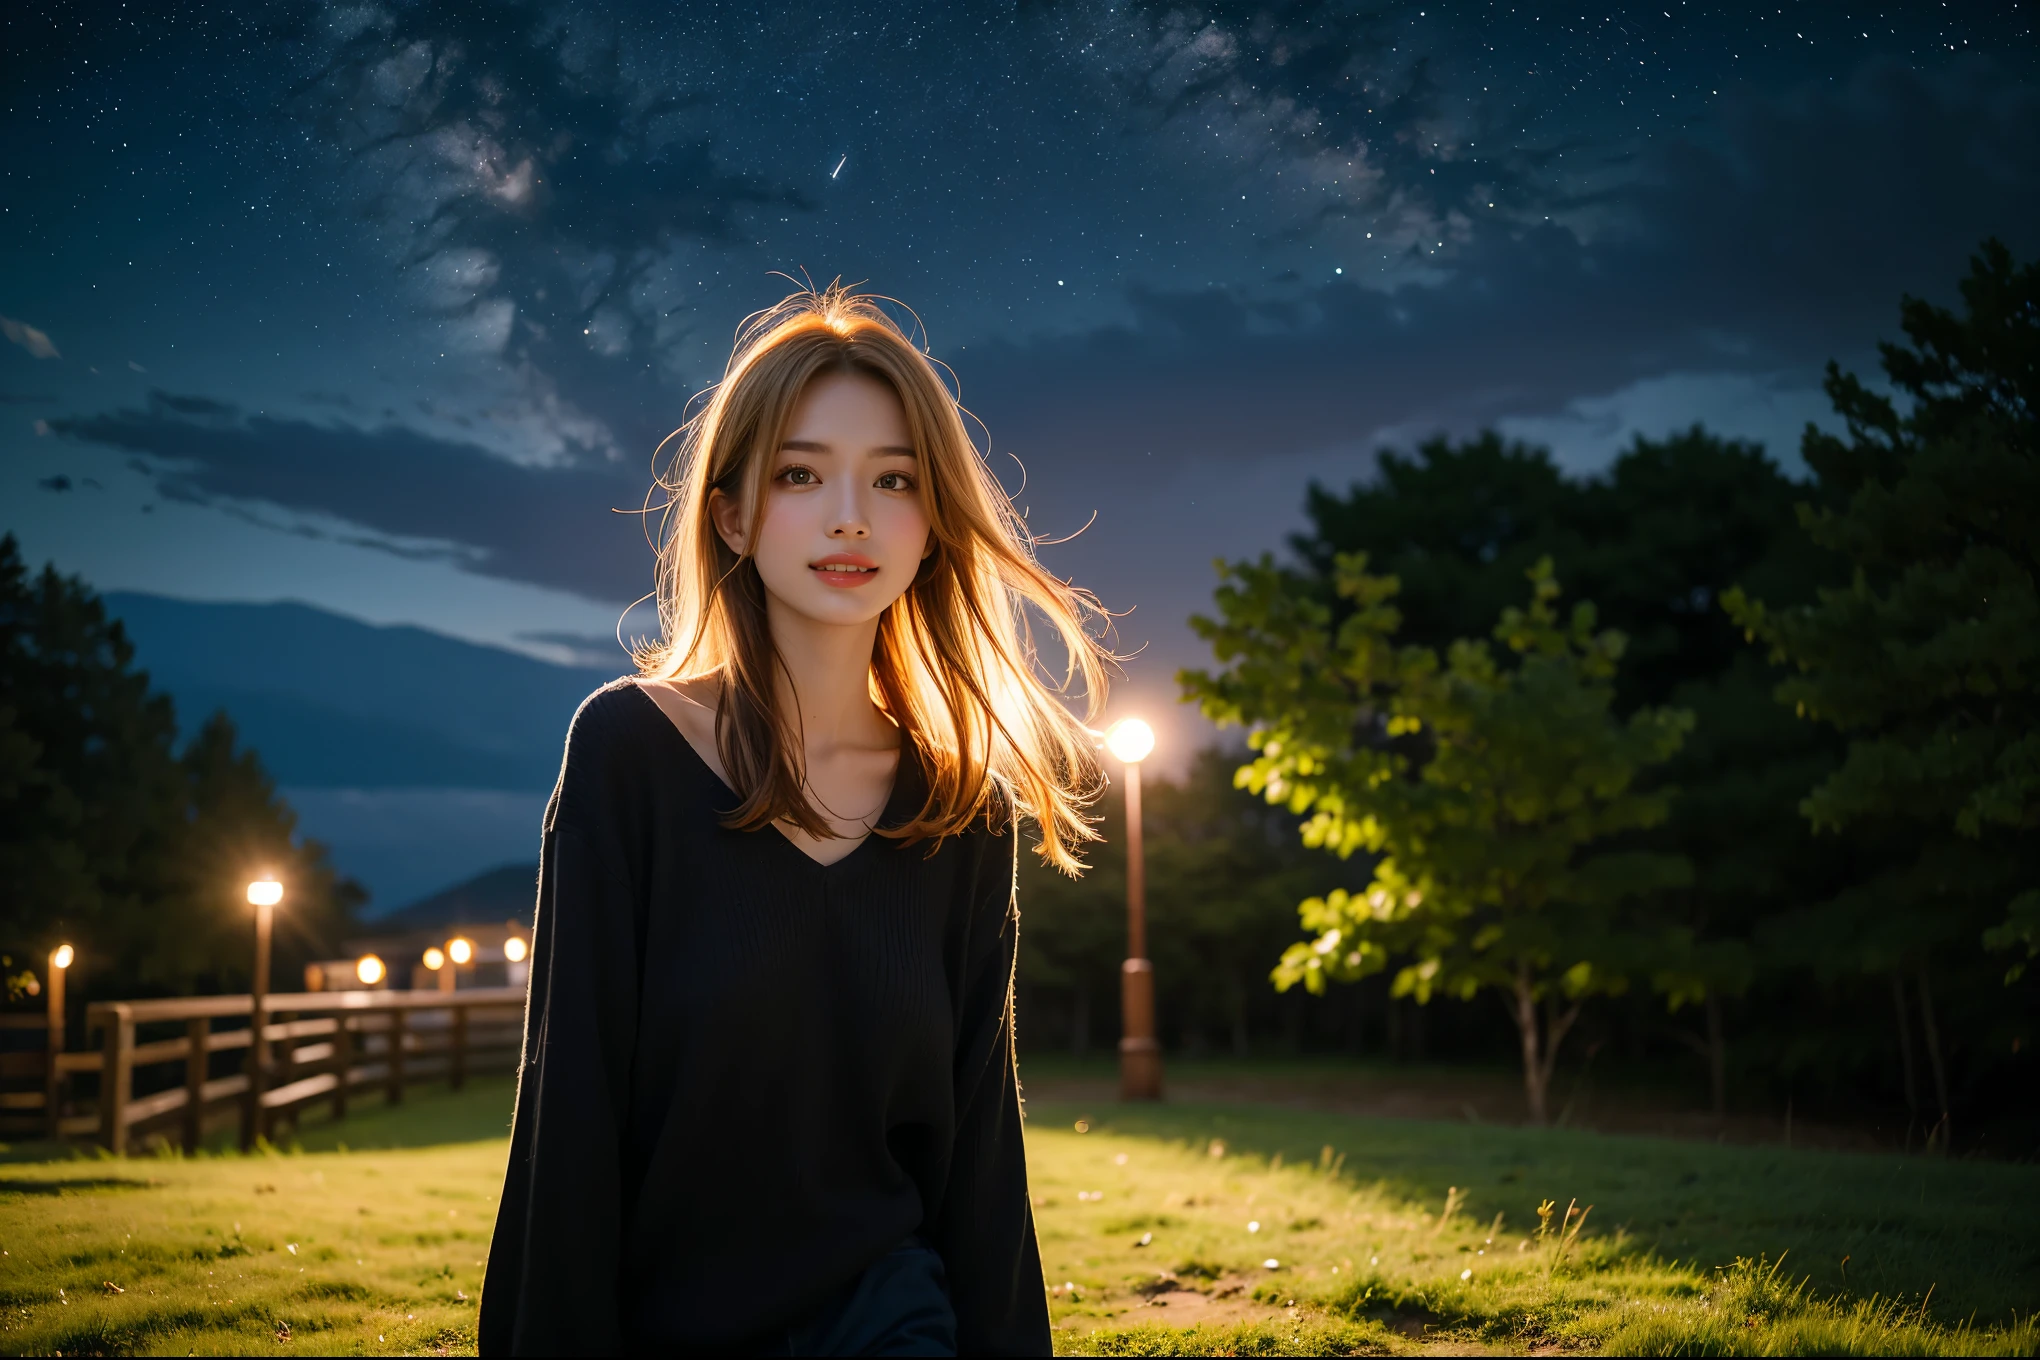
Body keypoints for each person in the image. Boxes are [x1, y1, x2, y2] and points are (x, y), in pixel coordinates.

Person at [479, 285, 1112, 1356]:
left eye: (894, 479)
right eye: (801, 474)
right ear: (731, 511)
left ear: (931, 522)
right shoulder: (627, 755)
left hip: (895, 1322)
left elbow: (980, 1154)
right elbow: (567, 1122)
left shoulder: (966, 812)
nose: (850, 516)